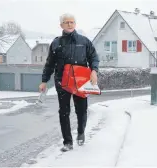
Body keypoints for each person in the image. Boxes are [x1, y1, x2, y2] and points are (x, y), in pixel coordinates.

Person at [39, 13, 99, 152]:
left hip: (81, 83)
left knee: (82, 110)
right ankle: (67, 142)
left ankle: (81, 132)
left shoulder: (84, 41)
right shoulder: (56, 43)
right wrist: (44, 81)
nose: (70, 24)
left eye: (72, 22)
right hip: (62, 83)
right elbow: (49, 64)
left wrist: (94, 71)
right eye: (66, 22)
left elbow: (94, 57)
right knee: (64, 112)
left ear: (75, 24)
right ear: (61, 25)